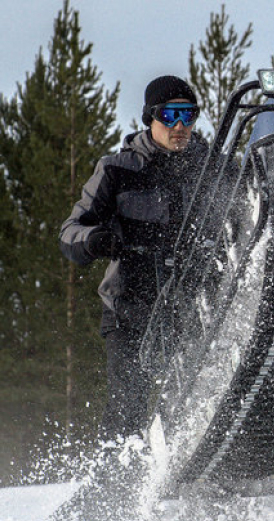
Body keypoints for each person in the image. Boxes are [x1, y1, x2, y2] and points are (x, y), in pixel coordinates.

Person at [59, 75, 209, 442]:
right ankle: (113, 489)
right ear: (149, 118)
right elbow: (69, 231)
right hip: (131, 308)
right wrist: (92, 239)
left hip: (195, 307)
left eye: (189, 115)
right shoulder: (118, 169)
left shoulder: (211, 168)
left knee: (197, 399)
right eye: (170, 115)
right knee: (128, 408)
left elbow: (249, 206)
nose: (180, 126)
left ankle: (189, 479)